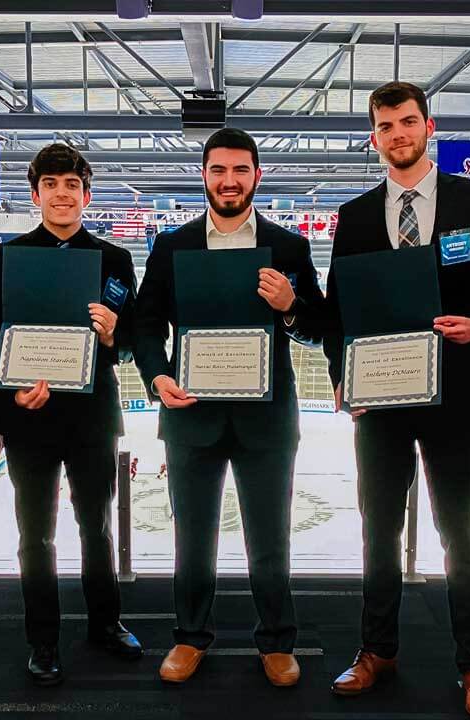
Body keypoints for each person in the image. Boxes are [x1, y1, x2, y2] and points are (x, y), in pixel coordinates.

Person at [321, 81, 470, 719]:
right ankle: (375, 650)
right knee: (379, 533)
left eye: (408, 122)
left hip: (453, 395)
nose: (398, 134)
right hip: (381, 399)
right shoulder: (357, 216)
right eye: (385, 126)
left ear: (428, 127)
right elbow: (340, 310)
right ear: (374, 137)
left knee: (459, 532)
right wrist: (342, 374)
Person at [134, 128, 327, 688]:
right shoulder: (172, 247)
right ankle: (190, 636)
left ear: (256, 177)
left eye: (240, 170)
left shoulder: (289, 248)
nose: (229, 180)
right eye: (219, 170)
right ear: (204, 175)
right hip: (192, 414)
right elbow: (147, 323)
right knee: (192, 540)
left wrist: (291, 307)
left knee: (270, 540)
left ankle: (275, 642)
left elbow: (317, 325)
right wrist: (158, 373)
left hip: (266, 419)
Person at [0, 143, 142, 686]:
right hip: (31, 418)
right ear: (36, 195)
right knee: (36, 535)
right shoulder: (6, 258)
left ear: (86, 195)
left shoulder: (115, 260)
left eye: (71, 184)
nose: (62, 193)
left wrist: (116, 335)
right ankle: (43, 640)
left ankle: (106, 623)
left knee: (96, 529)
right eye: (51, 184)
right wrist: (3, 408)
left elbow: (133, 343)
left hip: (92, 416)